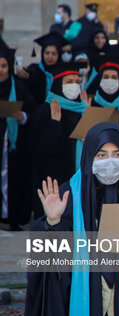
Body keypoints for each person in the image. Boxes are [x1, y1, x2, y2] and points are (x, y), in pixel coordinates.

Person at [25, 122, 119, 316]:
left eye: (118, 154)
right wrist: (53, 223)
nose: (110, 162)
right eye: (101, 155)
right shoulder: (68, 194)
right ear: (89, 157)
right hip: (85, 294)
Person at [31, 62, 89, 219]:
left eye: (77, 82)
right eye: (69, 82)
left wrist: (88, 115)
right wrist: (54, 125)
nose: (74, 86)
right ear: (58, 84)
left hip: (78, 175)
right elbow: (40, 149)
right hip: (56, 178)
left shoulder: (81, 108)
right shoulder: (46, 109)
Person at [0, 38, 36, 230]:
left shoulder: (18, 87)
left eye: (4, 66)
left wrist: (22, 116)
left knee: (13, 181)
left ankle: (13, 217)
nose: (1, 70)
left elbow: (32, 110)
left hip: (13, 145)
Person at [17, 32, 68, 106]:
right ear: (42, 53)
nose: (50, 56)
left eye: (54, 54)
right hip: (37, 113)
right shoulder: (33, 70)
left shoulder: (64, 74)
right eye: (47, 53)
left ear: (59, 55)